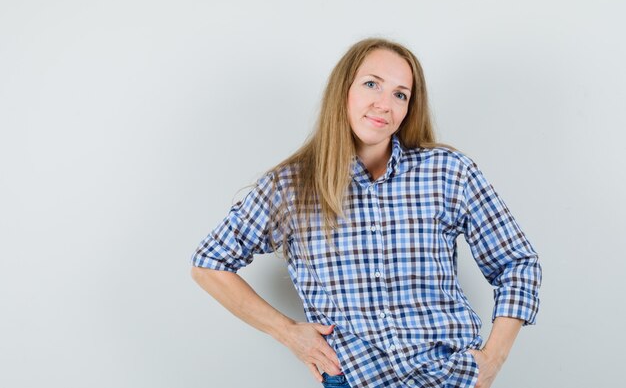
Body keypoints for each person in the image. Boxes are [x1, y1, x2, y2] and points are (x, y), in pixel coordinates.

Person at [190, 37, 542, 388]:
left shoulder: (448, 172)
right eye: (372, 84)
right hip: (357, 379)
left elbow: (517, 262)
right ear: (343, 90)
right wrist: (289, 333)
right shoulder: (291, 187)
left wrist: (492, 361)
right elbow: (209, 264)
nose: (384, 104)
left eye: (400, 94)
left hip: (450, 376)